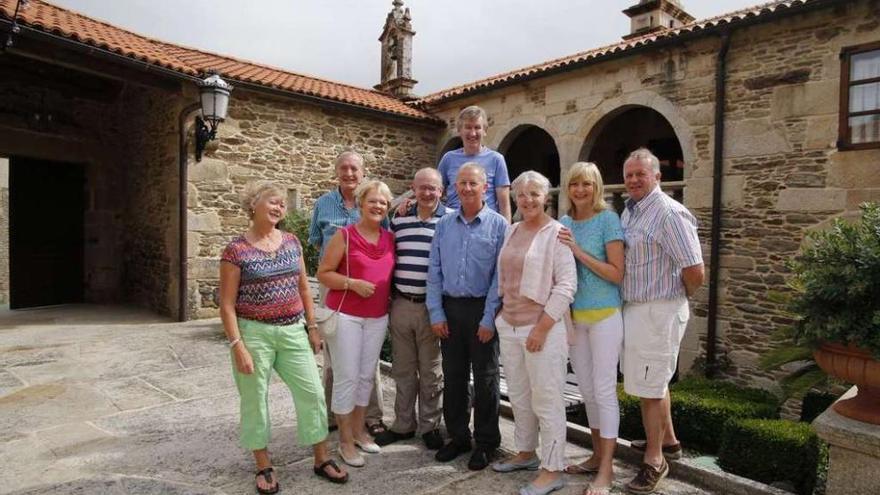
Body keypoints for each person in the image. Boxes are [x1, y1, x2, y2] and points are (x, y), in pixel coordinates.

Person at [220, 181, 348, 495]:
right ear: (253, 204)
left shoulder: (292, 242)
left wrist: (312, 327)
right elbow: (226, 304)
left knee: (313, 393)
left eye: (282, 204)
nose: (279, 208)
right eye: (272, 202)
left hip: (293, 330)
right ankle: (263, 464)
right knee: (255, 400)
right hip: (254, 334)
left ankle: (321, 458)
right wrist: (238, 345)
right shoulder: (236, 250)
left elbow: (305, 288)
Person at [619, 148, 704, 494]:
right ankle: (669, 442)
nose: (634, 180)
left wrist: (672, 300)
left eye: (641, 174)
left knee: (650, 388)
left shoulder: (669, 213)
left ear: (657, 177)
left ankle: (655, 461)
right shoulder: (631, 212)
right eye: (629, 175)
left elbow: (695, 271)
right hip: (638, 309)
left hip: (659, 309)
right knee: (651, 381)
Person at [490, 171, 576, 495]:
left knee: (547, 398)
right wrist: (500, 315)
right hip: (509, 324)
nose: (527, 200)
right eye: (521, 194)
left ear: (546, 197)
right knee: (520, 396)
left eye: (534, 194)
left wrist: (541, 328)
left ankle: (553, 470)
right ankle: (526, 453)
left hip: (543, 328)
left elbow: (567, 285)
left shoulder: (557, 233)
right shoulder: (512, 229)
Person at [427, 162, 508, 470]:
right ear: (454, 188)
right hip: (450, 309)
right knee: (455, 377)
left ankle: (486, 442)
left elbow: (499, 277)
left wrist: (489, 318)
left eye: (473, 183)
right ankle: (459, 437)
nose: (467, 188)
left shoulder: (499, 225)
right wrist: (436, 312)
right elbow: (433, 271)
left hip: (482, 309)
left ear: (484, 187)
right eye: (462, 183)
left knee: (486, 379)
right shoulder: (444, 226)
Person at [308, 151, 388, 437]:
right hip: (334, 281)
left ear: (363, 172)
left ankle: (371, 415)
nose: (349, 174)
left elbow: (384, 239)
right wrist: (342, 276)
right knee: (336, 358)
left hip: (368, 287)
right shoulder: (323, 204)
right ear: (336, 172)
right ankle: (334, 414)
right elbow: (317, 244)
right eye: (344, 168)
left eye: (355, 169)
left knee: (368, 360)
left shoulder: (372, 201)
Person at [317, 179, 395, 468]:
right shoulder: (345, 236)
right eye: (372, 201)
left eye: (383, 203)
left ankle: (360, 431)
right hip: (347, 315)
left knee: (365, 377)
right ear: (361, 203)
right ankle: (345, 441)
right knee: (347, 377)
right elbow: (324, 273)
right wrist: (351, 283)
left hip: (377, 317)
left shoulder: (389, 238)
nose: (378, 206)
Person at [557, 162, 625, 495]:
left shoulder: (608, 219)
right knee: (586, 391)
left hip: (605, 317)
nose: (580, 190)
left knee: (603, 390)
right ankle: (597, 456)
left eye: (586, 183)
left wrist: (577, 251)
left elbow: (616, 274)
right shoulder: (565, 222)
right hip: (575, 320)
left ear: (596, 186)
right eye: (574, 184)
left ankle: (607, 470)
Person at [375, 168, 450, 450]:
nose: (428, 193)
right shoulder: (399, 220)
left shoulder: (451, 219)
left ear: (441, 190)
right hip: (402, 303)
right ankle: (403, 425)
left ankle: (430, 426)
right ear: (413, 189)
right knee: (403, 369)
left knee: (432, 371)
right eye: (422, 187)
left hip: (433, 307)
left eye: (433, 188)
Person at [398, 106, 511, 222]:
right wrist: (411, 202)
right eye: (468, 127)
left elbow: (504, 203)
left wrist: (507, 232)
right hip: (453, 222)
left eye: (477, 128)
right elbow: (434, 189)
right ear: (459, 130)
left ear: (485, 131)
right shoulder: (449, 159)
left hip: (486, 224)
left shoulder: (496, 159)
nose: (473, 133)